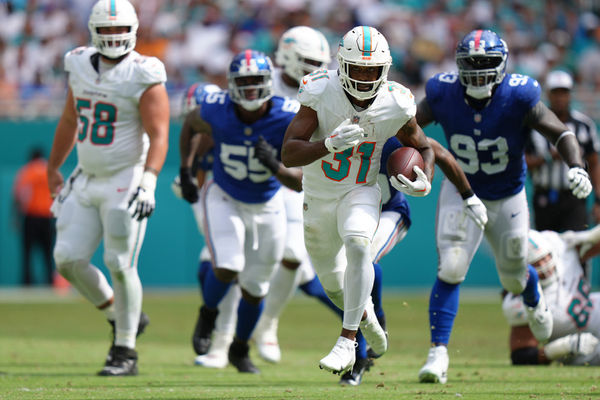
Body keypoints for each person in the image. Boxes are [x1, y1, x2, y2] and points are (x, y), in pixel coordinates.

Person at [415, 29, 592, 384]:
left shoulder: (519, 94)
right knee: (451, 266)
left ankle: (534, 299)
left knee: (513, 274)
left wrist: (576, 165)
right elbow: (407, 129)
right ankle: (438, 354)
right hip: (460, 190)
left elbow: (561, 133)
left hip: (508, 194)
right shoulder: (442, 92)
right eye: (472, 65)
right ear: (459, 66)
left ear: (502, 66)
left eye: (486, 64)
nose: (479, 72)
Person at [282, 25, 437, 375]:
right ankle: (366, 319)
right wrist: (328, 145)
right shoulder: (321, 90)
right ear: (342, 66)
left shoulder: (396, 101)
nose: (366, 77)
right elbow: (289, 154)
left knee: (357, 243)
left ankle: (347, 341)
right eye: (358, 69)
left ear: (385, 69)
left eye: (372, 70)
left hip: (361, 190)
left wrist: (425, 178)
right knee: (334, 284)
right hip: (318, 197)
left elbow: (424, 146)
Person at [47, 0, 169, 376]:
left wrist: (149, 180)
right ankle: (121, 314)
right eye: (107, 30)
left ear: (132, 31)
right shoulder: (79, 63)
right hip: (86, 175)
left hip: (125, 176)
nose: (114, 36)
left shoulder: (143, 71)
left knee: (119, 261)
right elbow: (71, 116)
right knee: (66, 258)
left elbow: (159, 133)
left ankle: (125, 350)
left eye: (120, 30)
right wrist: (54, 166)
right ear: (93, 31)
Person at [178, 49, 302, 374]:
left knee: (257, 287)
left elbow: (300, 181)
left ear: (268, 83)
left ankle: (239, 348)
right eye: (243, 82)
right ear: (231, 84)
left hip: (268, 201)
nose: (249, 88)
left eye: (255, 81)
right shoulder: (217, 109)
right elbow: (191, 126)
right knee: (229, 264)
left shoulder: (288, 115)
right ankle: (207, 315)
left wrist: (274, 164)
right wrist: (187, 169)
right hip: (225, 194)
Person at [502, 228, 600, 366]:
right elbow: (521, 356)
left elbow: (593, 241)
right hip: (583, 345)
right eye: (536, 263)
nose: (544, 266)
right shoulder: (520, 301)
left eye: (545, 258)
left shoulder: (558, 245)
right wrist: (562, 348)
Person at [526, 70, 600, 233]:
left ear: (570, 94)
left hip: (574, 198)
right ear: (548, 94)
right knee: (546, 251)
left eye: (564, 92)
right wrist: (549, 157)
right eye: (556, 92)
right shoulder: (534, 126)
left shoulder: (584, 125)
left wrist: (598, 200)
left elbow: (594, 163)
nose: (560, 98)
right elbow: (522, 163)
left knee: (577, 248)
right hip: (544, 197)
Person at [13, 147, 55, 286]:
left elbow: (20, 195)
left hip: (31, 217)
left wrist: (16, 217)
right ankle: (50, 282)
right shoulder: (50, 171)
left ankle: (27, 282)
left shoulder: (27, 171)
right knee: (48, 254)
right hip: (48, 217)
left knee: (27, 253)